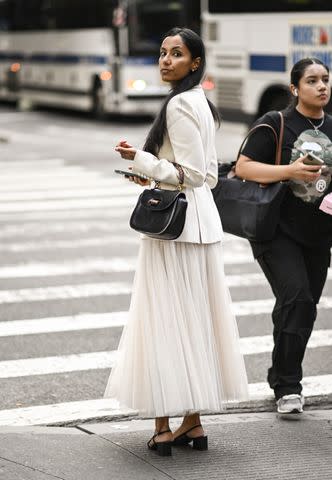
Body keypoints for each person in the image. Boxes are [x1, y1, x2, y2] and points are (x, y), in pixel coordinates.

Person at [104, 27, 248, 455]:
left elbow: (192, 175)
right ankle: (192, 422)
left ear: (196, 63)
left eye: (177, 54)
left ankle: (164, 426)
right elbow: (207, 174)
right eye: (163, 53)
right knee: (192, 322)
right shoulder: (199, 102)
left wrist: (142, 159)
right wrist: (148, 169)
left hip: (176, 229)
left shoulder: (181, 105)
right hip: (198, 225)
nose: (166, 60)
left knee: (164, 319)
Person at [236, 57, 332, 414]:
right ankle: (287, 386)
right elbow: (243, 166)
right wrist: (289, 170)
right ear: (295, 89)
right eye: (311, 81)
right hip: (275, 229)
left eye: (325, 79)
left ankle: (280, 370)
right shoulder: (276, 123)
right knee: (297, 299)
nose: (321, 86)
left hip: (319, 233)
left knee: (300, 309)